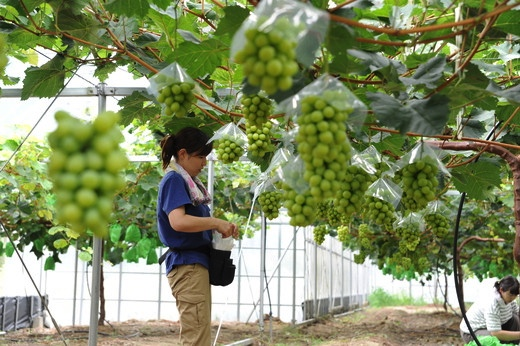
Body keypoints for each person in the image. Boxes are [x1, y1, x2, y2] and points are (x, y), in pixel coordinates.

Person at [157, 127, 238, 345]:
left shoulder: (187, 183)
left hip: (193, 266)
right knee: (196, 339)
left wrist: (219, 227)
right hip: (188, 266)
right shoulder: (175, 179)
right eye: (200, 157)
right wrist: (214, 222)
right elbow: (179, 221)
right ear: (182, 154)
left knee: (198, 334)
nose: (204, 163)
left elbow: (189, 222)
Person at [460, 275, 520, 344]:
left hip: (492, 327)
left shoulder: (511, 300)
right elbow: (495, 333)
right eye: (510, 295)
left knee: (515, 319)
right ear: (501, 290)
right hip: (471, 332)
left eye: (516, 295)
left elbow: (517, 313)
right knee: (492, 340)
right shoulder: (492, 303)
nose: (513, 298)